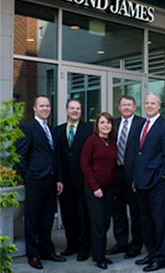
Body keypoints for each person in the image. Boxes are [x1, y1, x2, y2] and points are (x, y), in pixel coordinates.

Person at [16, 95, 66, 270]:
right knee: (32, 219)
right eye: (42, 106)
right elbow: (20, 156)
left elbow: (56, 157)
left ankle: (47, 251)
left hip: (51, 181)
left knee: (47, 219)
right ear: (35, 109)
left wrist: (59, 179)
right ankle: (33, 254)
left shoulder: (51, 130)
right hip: (35, 181)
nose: (45, 108)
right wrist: (28, 176)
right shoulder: (28, 128)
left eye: (47, 106)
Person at [134, 92, 165, 272]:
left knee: (160, 222)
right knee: (146, 221)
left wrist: (162, 176)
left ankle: (161, 258)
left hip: (158, 182)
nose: (149, 106)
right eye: (146, 103)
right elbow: (138, 155)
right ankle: (151, 253)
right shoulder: (140, 126)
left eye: (153, 103)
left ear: (159, 105)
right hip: (141, 182)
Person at [106, 95, 145, 259]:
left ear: (134, 107)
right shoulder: (113, 124)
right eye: (124, 105)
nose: (127, 107)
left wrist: (139, 176)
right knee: (118, 211)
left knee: (136, 212)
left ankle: (136, 245)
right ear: (119, 107)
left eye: (129, 105)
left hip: (133, 174)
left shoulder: (142, 124)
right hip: (116, 174)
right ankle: (121, 243)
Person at [54, 99, 93, 261]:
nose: (75, 111)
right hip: (64, 181)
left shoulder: (89, 129)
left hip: (83, 180)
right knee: (68, 214)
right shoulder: (57, 131)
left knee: (84, 216)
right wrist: (58, 179)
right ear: (66, 110)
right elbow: (56, 157)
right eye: (72, 108)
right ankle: (72, 245)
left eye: (78, 108)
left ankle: (85, 248)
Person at [81, 112, 118, 270]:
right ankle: (99, 257)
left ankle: (101, 253)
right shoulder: (92, 141)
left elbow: (114, 168)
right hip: (94, 188)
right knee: (98, 222)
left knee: (105, 222)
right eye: (102, 122)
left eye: (108, 123)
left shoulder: (112, 143)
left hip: (109, 188)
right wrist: (95, 187)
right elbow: (84, 164)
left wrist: (116, 189)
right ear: (97, 125)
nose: (105, 125)